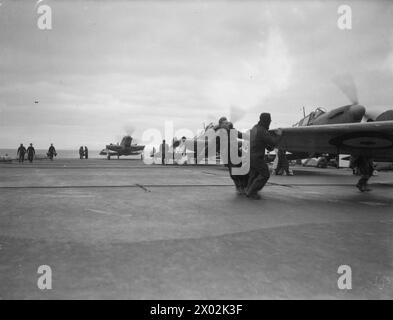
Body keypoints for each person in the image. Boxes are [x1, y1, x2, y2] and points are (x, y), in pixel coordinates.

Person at [245, 113, 282, 199]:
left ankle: (248, 190)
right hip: (256, 157)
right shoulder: (262, 130)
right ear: (267, 120)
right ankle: (252, 192)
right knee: (265, 174)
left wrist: (269, 147)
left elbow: (260, 142)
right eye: (269, 120)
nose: (270, 121)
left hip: (250, 156)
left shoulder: (254, 128)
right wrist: (279, 135)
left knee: (253, 174)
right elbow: (273, 142)